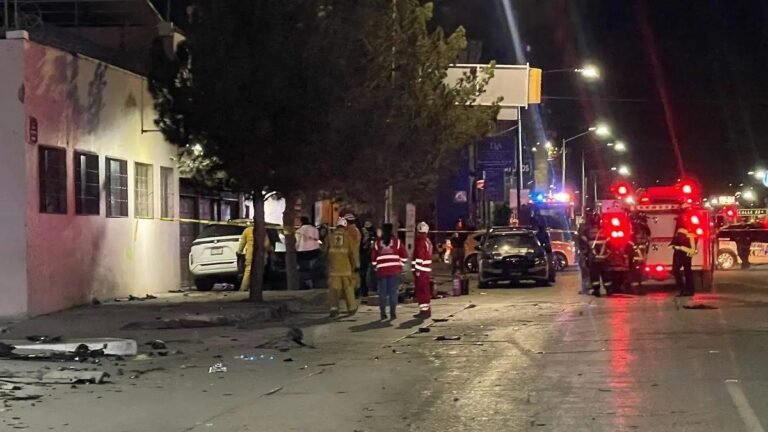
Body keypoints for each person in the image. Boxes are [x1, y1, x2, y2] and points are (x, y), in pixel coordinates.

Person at [371, 223, 408, 320]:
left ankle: (383, 313)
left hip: (382, 271)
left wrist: (376, 267)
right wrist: (399, 265)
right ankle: (393, 313)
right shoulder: (397, 242)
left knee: (382, 293)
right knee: (393, 292)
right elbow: (404, 256)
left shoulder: (377, 243)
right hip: (394, 271)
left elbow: (373, 258)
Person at [324, 217, 358, 317]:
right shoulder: (348, 237)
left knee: (334, 289)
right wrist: (355, 266)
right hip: (346, 268)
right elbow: (353, 253)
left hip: (333, 268)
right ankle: (351, 308)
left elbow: (324, 250)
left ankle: (334, 309)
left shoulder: (330, 237)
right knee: (348, 288)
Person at [237, 225, 271, 292]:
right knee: (258, 272)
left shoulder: (247, 230)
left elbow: (242, 242)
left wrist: (239, 251)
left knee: (248, 271)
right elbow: (267, 244)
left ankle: (244, 288)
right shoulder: (262, 230)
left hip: (250, 253)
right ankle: (255, 288)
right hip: (260, 254)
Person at [413, 222, 434, 319]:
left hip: (421, 270)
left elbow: (419, 255)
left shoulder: (420, 241)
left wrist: (417, 268)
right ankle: (426, 310)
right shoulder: (427, 241)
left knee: (421, 291)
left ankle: (424, 311)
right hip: (426, 269)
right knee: (425, 290)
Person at [670, 221, 696, 297]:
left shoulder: (689, 235)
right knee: (679, 270)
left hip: (685, 254)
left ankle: (687, 290)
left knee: (686, 271)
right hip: (680, 253)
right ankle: (684, 290)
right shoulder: (680, 234)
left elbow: (692, 250)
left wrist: (680, 247)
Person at [344, 213, 362, 295]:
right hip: (354, 257)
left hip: (351, 258)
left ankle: (354, 292)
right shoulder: (355, 230)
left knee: (352, 276)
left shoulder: (351, 231)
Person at [359, 221, 377, 299]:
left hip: (369, 257)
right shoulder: (361, 235)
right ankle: (363, 291)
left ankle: (367, 290)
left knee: (368, 274)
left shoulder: (373, 236)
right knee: (363, 274)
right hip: (363, 256)